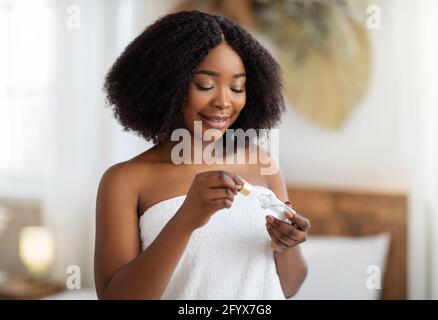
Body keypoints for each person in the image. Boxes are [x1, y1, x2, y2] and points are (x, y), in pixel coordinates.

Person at [94, 10, 309, 300]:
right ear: (166, 85)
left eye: (237, 87)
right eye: (205, 85)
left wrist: (287, 245)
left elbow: (289, 286)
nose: (223, 101)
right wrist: (187, 217)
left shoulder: (263, 164)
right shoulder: (125, 181)